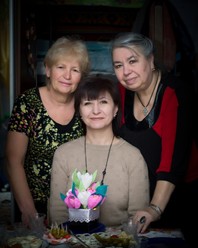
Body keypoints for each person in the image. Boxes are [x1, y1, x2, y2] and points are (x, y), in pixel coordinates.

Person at [111, 32, 196, 234]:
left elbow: (172, 160)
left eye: (132, 61)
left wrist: (155, 207)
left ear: (150, 60)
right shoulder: (121, 92)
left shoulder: (175, 93)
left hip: (179, 197)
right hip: (137, 200)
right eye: (118, 66)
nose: (126, 72)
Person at [5, 36, 90, 226]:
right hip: (34, 208)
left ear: (81, 76)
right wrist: (29, 212)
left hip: (75, 209)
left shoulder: (85, 105)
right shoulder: (28, 103)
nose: (67, 76)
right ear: (48, 69)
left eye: (74, 70)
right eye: (61, 67)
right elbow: (13, 160)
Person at [49, 74, 149, 228]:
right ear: (79, 111)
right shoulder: (63, 154)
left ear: (115, 108)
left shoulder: (133, 156)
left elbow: (137, 217)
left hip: (119, 244)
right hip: (73, 242)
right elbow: (57, 215)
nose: (96, 110)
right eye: (88, 103)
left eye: (103, 102)